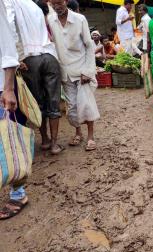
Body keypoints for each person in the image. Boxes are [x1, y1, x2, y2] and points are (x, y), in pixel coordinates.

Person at [6, 0, 63, 155]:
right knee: (53, 101)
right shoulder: (34, 5)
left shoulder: (9, 3)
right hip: (49, 56)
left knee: (38, 102)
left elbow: (10, 28)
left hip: (30, 59)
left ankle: (45, 140)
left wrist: (17, 57)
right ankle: (55, 144)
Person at [49, 0, 99, 151]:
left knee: (87, 105)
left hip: (81, 70)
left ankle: (90, 137)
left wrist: (87, 71)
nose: (57, 7)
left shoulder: (79, 19)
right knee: (72, 108)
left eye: (60, 3)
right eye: (54, 4)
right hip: (65, 72)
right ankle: (78, 132)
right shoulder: (50, 20)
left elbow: (89, 46)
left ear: (65, 1)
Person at [0, 0, 29, 219]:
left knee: (9, 138)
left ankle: (18, 192)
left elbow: (7, 46)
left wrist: (8, 88)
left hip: (1, 87)